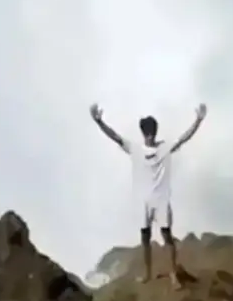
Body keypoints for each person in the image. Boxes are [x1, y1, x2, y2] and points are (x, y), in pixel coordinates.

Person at [89, 102, 208, 289]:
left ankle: (173, 275)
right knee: (145, 237)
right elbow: (115, 137)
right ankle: (147, 273)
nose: (150, 136)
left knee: (167, 236)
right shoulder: (135, 149)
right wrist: (99, 122)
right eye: (147, 133)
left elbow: (184, 138)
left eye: (152, 133)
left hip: (161, 199)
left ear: (155, 133)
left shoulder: (164, 148)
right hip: (143, 201)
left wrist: (198, 121)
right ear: (143, 133)